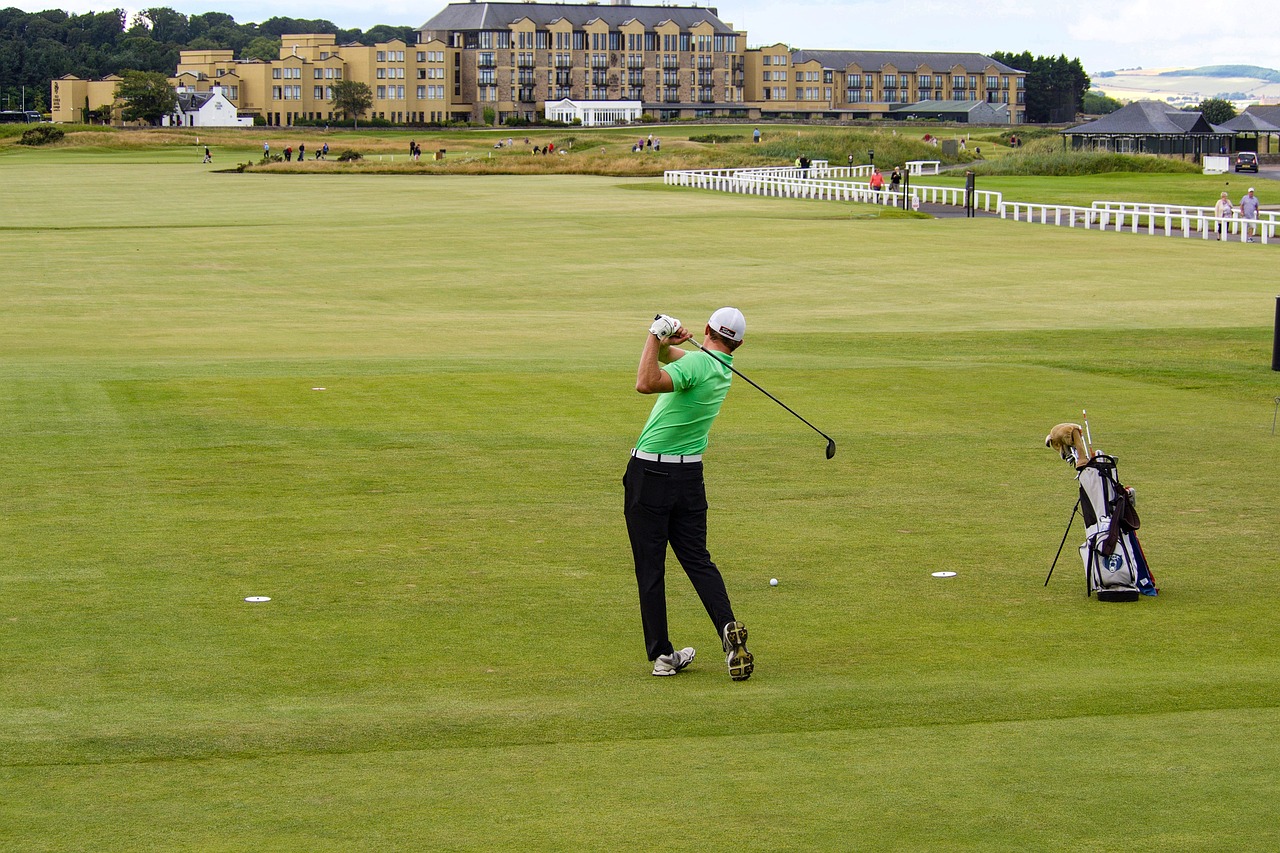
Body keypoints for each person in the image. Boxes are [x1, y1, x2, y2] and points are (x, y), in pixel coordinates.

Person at [624, 308, 754, 681]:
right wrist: (667, 343)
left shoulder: (697, 364)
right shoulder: (721, 368)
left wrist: (654, 334)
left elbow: (645, 382)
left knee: (650, 567)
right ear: (738, 343)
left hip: (650, 474)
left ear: (708, 328)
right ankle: (726, 624)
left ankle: (663, 656)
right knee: (698, 559)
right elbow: (671, 360)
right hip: (689, 477)